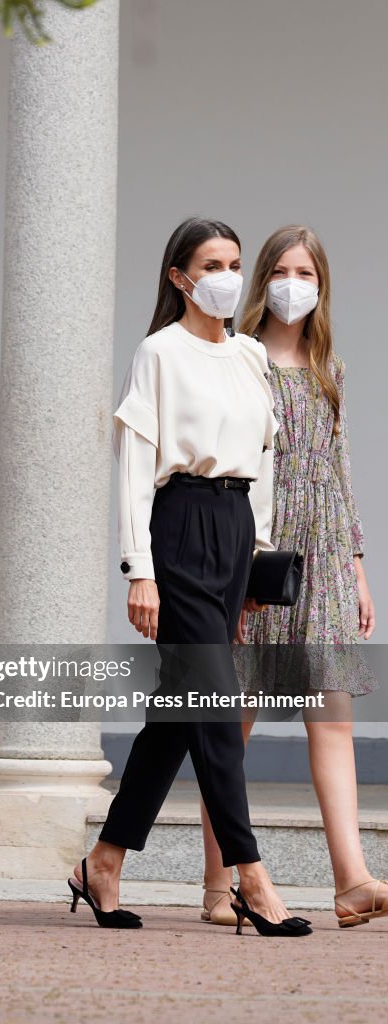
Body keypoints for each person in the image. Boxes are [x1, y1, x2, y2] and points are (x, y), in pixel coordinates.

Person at [68, 217, 312, 936]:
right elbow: (135, 468)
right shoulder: (158, 353)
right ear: (178, 276)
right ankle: (251, 876)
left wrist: (256, 566)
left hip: (234, 533)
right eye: (212, 263)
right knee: (213, 702)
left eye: (235, 262)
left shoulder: (247, 355)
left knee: (176, 715)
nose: (228, 275)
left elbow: (261, 462)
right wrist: (138, 570)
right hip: (177, 529)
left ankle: (103, 862)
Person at [200, 225, 385, 929]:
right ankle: (222, 886)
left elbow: (339, 472)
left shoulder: (328, 367)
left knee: (330, 715)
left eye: (303, 271)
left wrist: (357, 569)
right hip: (257, 551)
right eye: (279, 269)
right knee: (233, 722)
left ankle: (351, 880)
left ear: (321, 284)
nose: (290, 282)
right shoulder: (235, 359)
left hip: (327, 554)